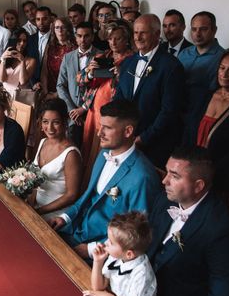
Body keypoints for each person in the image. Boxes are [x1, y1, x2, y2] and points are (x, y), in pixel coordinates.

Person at [148, 146, 229, 296]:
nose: (164, 180)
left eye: (174, 176)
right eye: (167, 172)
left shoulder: (222, 230)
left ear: (198, 185)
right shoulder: (164, 199)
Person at [47, 100, 160, 260]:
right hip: (73, 229)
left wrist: (92, 250)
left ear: (128, 131)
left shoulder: (143, 177)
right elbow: (87, 196)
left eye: (107, 128)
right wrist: (65, 217)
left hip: (101, 251)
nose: (99, 133)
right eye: (101, 126)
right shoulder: (103, 154)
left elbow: (136, 234)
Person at [114, 14, 185, 168]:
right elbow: (119, 99)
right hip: (126, 139)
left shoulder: (171, 66)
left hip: (155, 145)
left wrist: (143, 138)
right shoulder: (127, 62)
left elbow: (169, 111)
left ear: (157, 34)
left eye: (143, 33)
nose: (138, 37)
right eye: (135, 32)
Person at [184, 49, 229, 195]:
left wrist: (208, 170)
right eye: (222, 68)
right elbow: (188, 130)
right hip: (190, 167)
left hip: (217, 176)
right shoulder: (206, 95)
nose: (224, 74)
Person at [83, 212, 162, 296]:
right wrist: (98, 261)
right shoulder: (117, 256)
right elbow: (98, 287)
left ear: (129, 254)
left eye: (111, 242)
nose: (106, 243)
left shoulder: (142, 273)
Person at [80, 19, 134, 167]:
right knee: (90, 151)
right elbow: (80, 80)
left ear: (127, 40)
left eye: (118, 38)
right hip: (94, 110)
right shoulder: (102, 56)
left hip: (115, 109)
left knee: (107, 149)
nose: (113, 42)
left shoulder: (133, 60)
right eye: (110, 39)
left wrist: (121, 75)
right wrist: (90, 73)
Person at [30, 98, 82, 220]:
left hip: (55, 215)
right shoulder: (43, 142)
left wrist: (39, 211)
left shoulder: (71, 154)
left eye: (56, 122)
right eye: (45, 122)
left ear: (65, 122)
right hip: (35, 207)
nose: (50, 128)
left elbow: (72, 195)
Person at [177, 11, 226, 126]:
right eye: (194, 29)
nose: (197, 34)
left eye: (203, 29)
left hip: (200, 114)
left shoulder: (222, 58)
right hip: (177, 110)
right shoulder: (184, 54)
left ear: (214, 30)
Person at [56, 21, 99, 147]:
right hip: (72, 114)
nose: (83, 39)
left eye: (86, 36)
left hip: (92, 111)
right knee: (72, 147)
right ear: (75, 36)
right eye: (79, 36)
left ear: (92, 36)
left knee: (91, 150)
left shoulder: (101, 55)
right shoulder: (67, 57)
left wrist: (84, 109)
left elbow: (100, 87)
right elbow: (60, 85)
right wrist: (72, 110)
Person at [41, 17, 76, 99]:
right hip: (49, 91)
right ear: (53, 30)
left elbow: (73, 76)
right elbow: (44, 71)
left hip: (68, 93)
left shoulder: (74, 48)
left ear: (68, 29)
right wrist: (45, 92)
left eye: (63, 27)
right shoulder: (50, 46)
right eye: (57, 27)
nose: (60, 30)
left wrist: (56, 95)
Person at [0, 28, 37, 97]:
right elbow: (2, 79)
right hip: (5, 97)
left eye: (25, 41)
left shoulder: (31, 61)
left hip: (22, 98)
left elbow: (22, 81)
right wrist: (3, 60)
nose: (22, 43)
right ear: (13, 40)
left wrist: (22, 61)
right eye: (19, 40)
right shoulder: (2, 58)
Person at [24, 6, 52, 86]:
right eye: (38, 19)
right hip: (32, 84)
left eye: (44, 19)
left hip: (52, 84)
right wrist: (33, 83)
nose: (41, 22)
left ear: (50, 19)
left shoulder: (56, 39)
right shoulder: (29, 39)